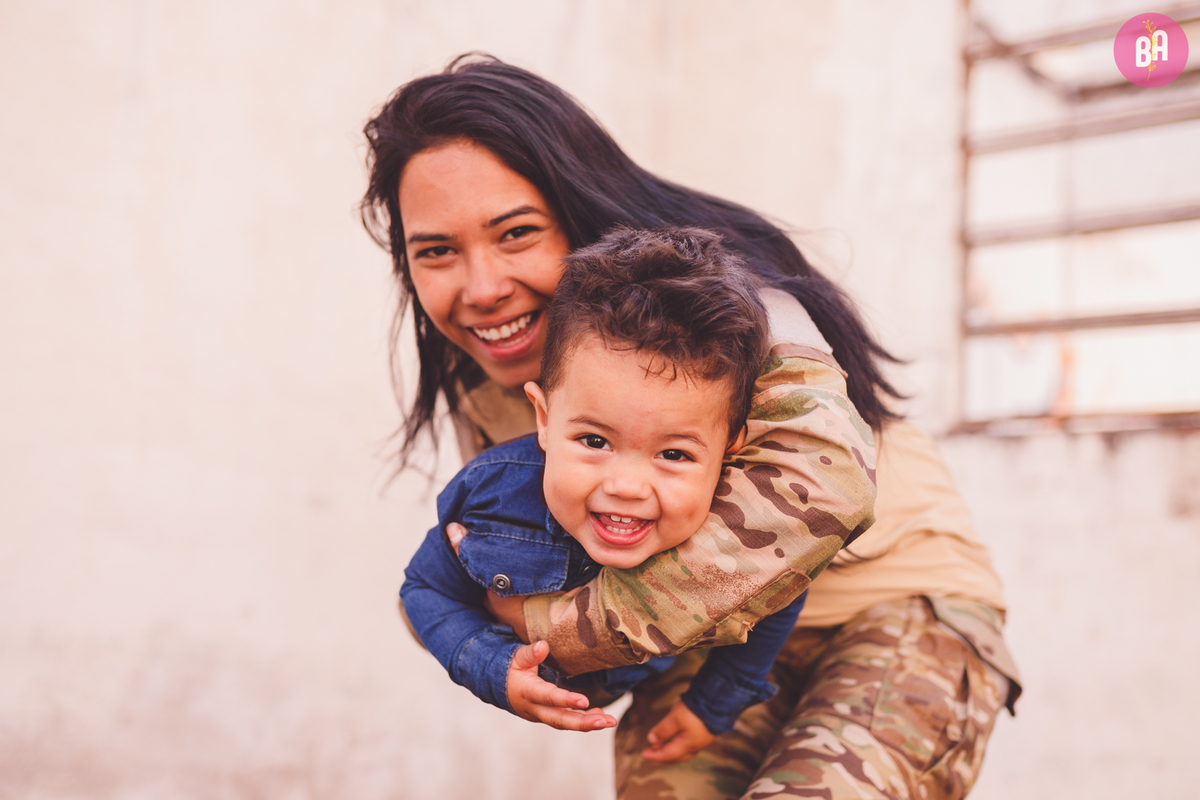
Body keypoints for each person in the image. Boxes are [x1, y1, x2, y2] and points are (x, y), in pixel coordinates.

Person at [361, 54, 1020, 800]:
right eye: (437, 251)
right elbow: (539, 614)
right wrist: (486, 643)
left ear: (576, 209)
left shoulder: (723, 299)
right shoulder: (492, 387)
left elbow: (822, 492)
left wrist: (543, 620)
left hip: (897, 604)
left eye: (515, 234)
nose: (481, 288)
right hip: (700, 657)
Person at [401, 227, 808, 761]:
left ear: (729, 448)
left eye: (674, 455)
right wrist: (490, 665)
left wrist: (713, 704)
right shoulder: (490, 495)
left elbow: (782, 594)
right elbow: (425, 590)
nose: (625, 487)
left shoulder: (733, 522)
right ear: (544, 418)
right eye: (594, 441)